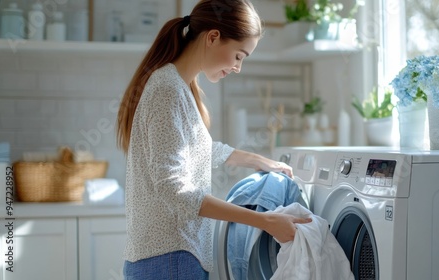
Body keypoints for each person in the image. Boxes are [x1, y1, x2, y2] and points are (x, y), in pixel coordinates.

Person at [116, 0, 311, 279]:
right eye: (239, 56)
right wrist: (264, 221)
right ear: (213, 37)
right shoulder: (168, 90)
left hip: (171, 257)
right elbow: (174, 189)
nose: (237, 67)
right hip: (171, 259)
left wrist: (258, 160)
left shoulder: (176, 85)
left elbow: (198, 149)